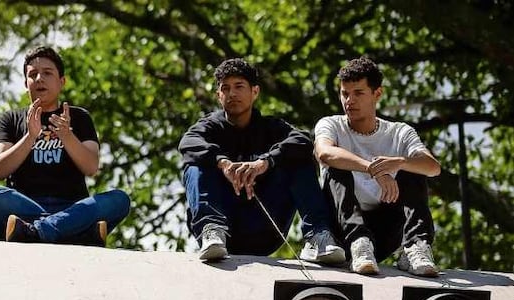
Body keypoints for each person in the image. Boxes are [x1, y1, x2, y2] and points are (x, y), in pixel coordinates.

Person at [180, 58, 345, 265]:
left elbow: (303, 140)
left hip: (265, 229)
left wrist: (265, 163)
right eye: (226, 88)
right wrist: (223, 163)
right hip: (223, 231)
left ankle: (318, 236)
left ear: (255, 91)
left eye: (239, 86)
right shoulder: (209, 126)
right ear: (218, 95)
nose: (232, 93)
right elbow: (188, 142)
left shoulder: (271, 127)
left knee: (298, 157)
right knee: (195, 162)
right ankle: (211, 230)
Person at [0, 45, 131, 245]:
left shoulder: (79, 117)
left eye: (47, 73)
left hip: (73, 206)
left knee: (119, 200)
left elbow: (91, 167)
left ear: (62, 82)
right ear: (26, 83)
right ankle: (70, 231)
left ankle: (39, 230)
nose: (39, 79)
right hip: (25, 207)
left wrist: (66, 136)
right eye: (32, 74)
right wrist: (30, 137)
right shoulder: (10, 119)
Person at [314, 57, 442, 276]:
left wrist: (400, 162)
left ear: (377, 94)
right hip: (342, 231)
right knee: (337, 167)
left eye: (358, 93)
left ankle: (416, 246)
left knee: (413, 169)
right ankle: (359, 241)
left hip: (383, 230)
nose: (349, 101)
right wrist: (373, 168)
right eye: (345, 93)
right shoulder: (331, 124)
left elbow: (433, 168)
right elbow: (324, 153)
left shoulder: (400, 132)